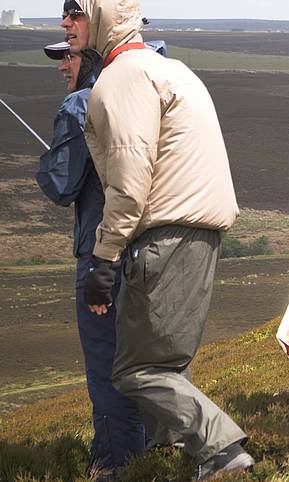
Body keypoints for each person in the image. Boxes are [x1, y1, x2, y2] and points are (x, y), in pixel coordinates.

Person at [74, 0, 253, 478]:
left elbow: (129, 182)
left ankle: (221, 449)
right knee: (165, 362)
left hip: (165, 237)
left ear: (103, 18)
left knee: (137, 370)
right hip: (198, 234)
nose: (65, 24)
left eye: (75, 13)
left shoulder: (122, 78)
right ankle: (173, 459)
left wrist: (104, 257)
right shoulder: (170, 70)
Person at [35, 40, 145, 475]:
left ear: (95, 55)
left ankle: (117, 467)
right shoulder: (155, 88)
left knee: (107, 370)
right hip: (158, 257)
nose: (64, 66)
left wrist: (50, 160)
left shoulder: (82, 104)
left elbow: (61, 186)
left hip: (104, 258)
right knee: (155, 367)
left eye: (70, 55)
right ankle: (163, 463)